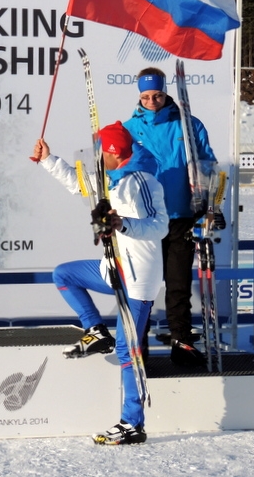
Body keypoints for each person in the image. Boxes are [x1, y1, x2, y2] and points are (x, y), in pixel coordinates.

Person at [32, 121, 168, 445]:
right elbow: (78, 182)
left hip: (136, 281)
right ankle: (95, 330)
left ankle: (132, 424)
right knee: (64, 274)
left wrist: (123, 224)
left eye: (99, 150)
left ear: (112, 152)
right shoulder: (111, 180)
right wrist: (48, 160)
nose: (95, 155)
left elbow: (160, 226)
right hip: (114, 271)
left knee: (128, 350)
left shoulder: (143, 182)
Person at [122, 67, 219, 366]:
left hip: (180, 216)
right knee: (144, 287)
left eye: (158, 95)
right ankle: (139, 345)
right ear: (139, 96)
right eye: (146, 96)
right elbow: (117, 169)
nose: (152, 101)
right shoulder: (128, 129)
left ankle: (181, 341)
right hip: (146, 219)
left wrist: (210, 204)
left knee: (177, 283)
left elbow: (208, 165)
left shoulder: (189, 126)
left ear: (166, 94)